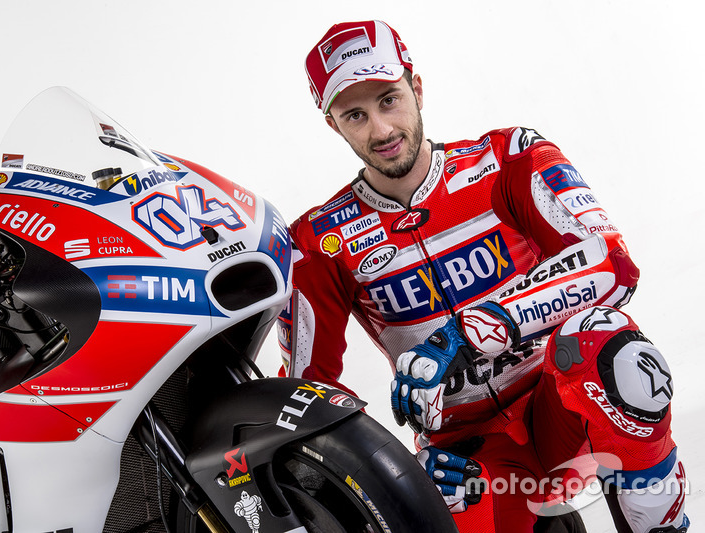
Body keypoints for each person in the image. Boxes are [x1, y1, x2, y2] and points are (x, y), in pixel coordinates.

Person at [276, 19, 689, 533]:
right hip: (465, 459)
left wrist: (469, 333)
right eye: (355, 114)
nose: (380, 130)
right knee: (436, 503)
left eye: (388, 99)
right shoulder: (316, 241)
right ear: (333, 125)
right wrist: (391, 469)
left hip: (562, 408)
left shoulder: (509, 158)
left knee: (618, 351)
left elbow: (613, 263)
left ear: (417, 87)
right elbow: (300, 401)